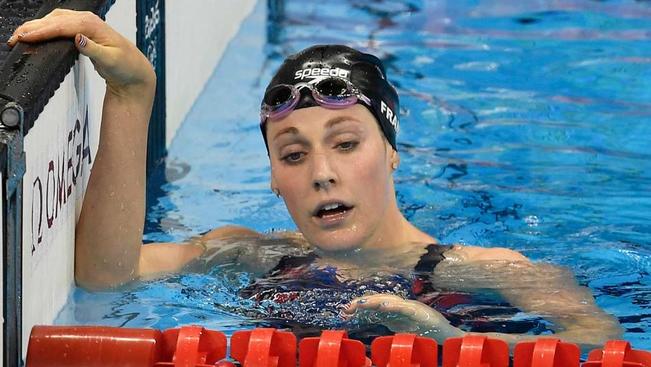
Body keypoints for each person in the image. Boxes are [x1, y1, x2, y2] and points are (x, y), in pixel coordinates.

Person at [9, 9, 622, 349]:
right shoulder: (248, 253)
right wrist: (131, 94)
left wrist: (451, 346)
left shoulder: (489, 270)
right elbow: (106, 274)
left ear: (391, 153)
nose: (322, 174)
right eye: (294, 154)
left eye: (347, 144)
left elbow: (600, 342)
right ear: (274, 178)